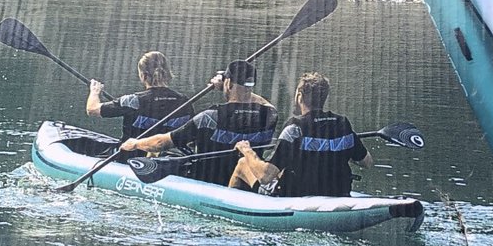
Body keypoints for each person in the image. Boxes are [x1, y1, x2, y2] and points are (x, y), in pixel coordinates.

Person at [121, 59, 277, 187]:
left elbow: (162, 143)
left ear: (228, 83)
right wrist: (237, 88)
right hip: (243, 182)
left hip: (206, 185)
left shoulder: (209, 117)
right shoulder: (270, 116)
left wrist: (135, 143)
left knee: (161, 151)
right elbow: (264, 103)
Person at [229, 71, 372, 197]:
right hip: (338, 192)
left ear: (299, 96)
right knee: (281, 171)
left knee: (243, 163)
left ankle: (228, 211)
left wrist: (247, 150)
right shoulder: (342, 124)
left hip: (294, 196)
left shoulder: (294, 128)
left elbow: (265, 176)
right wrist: (336, 153)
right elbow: (366, 162)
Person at [86, 51, 194, 142]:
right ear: (168, 73)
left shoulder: (132, 101)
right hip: (170, 156)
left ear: (143, 76)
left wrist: (95, 91)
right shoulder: (184, 102)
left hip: (132, 156)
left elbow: (92, 109)